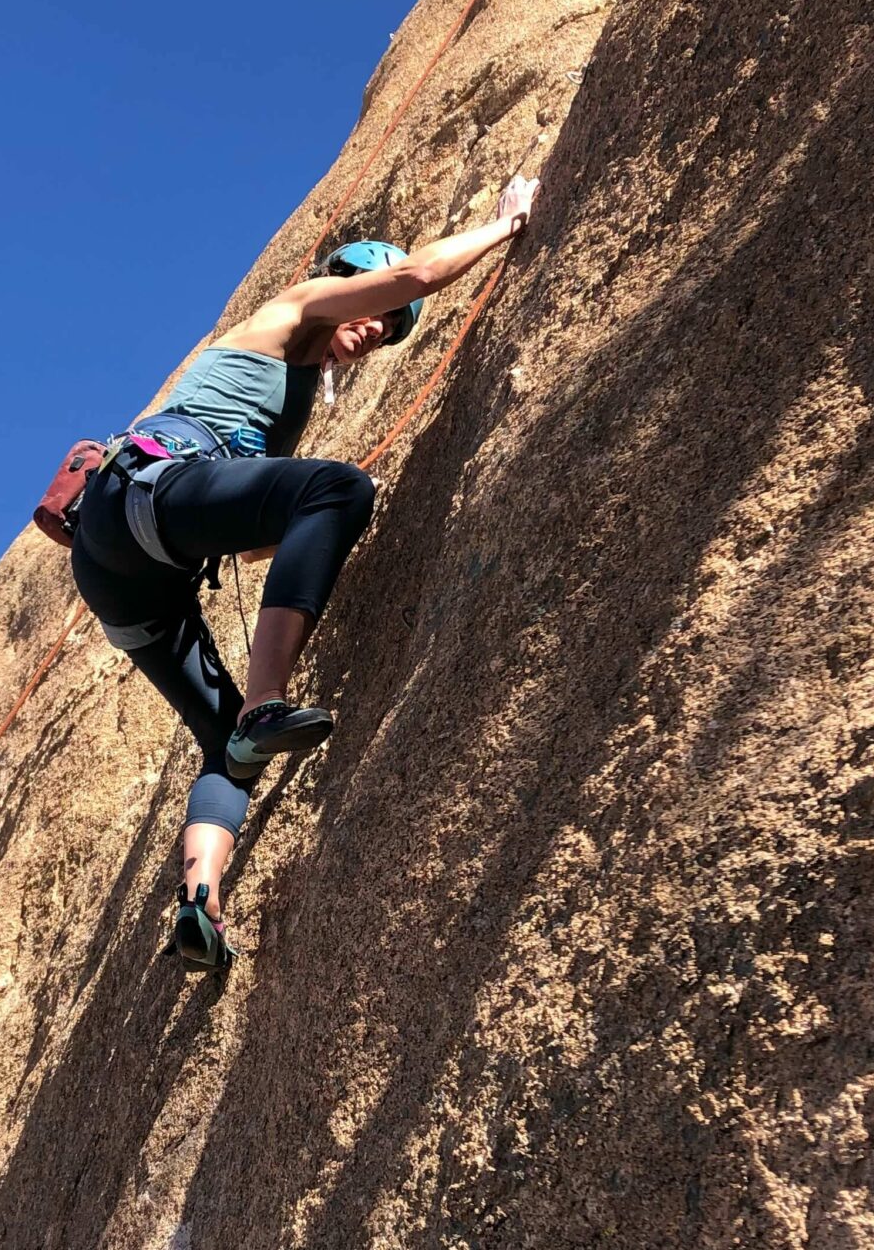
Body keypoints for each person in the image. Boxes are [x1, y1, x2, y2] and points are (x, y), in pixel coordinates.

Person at [69, 176, 537, 970]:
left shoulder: (286, 404)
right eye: (377, 308)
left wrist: (297, 512)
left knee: (225, 750)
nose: (380, 327)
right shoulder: (292, 308)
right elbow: (421, 273)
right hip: (152, 496)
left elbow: (253, 544)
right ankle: (266, 701)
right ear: (344, 280)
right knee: (339, 487)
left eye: (393, 331)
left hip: (126, 569)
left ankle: (198, 905)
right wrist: (507, 225)